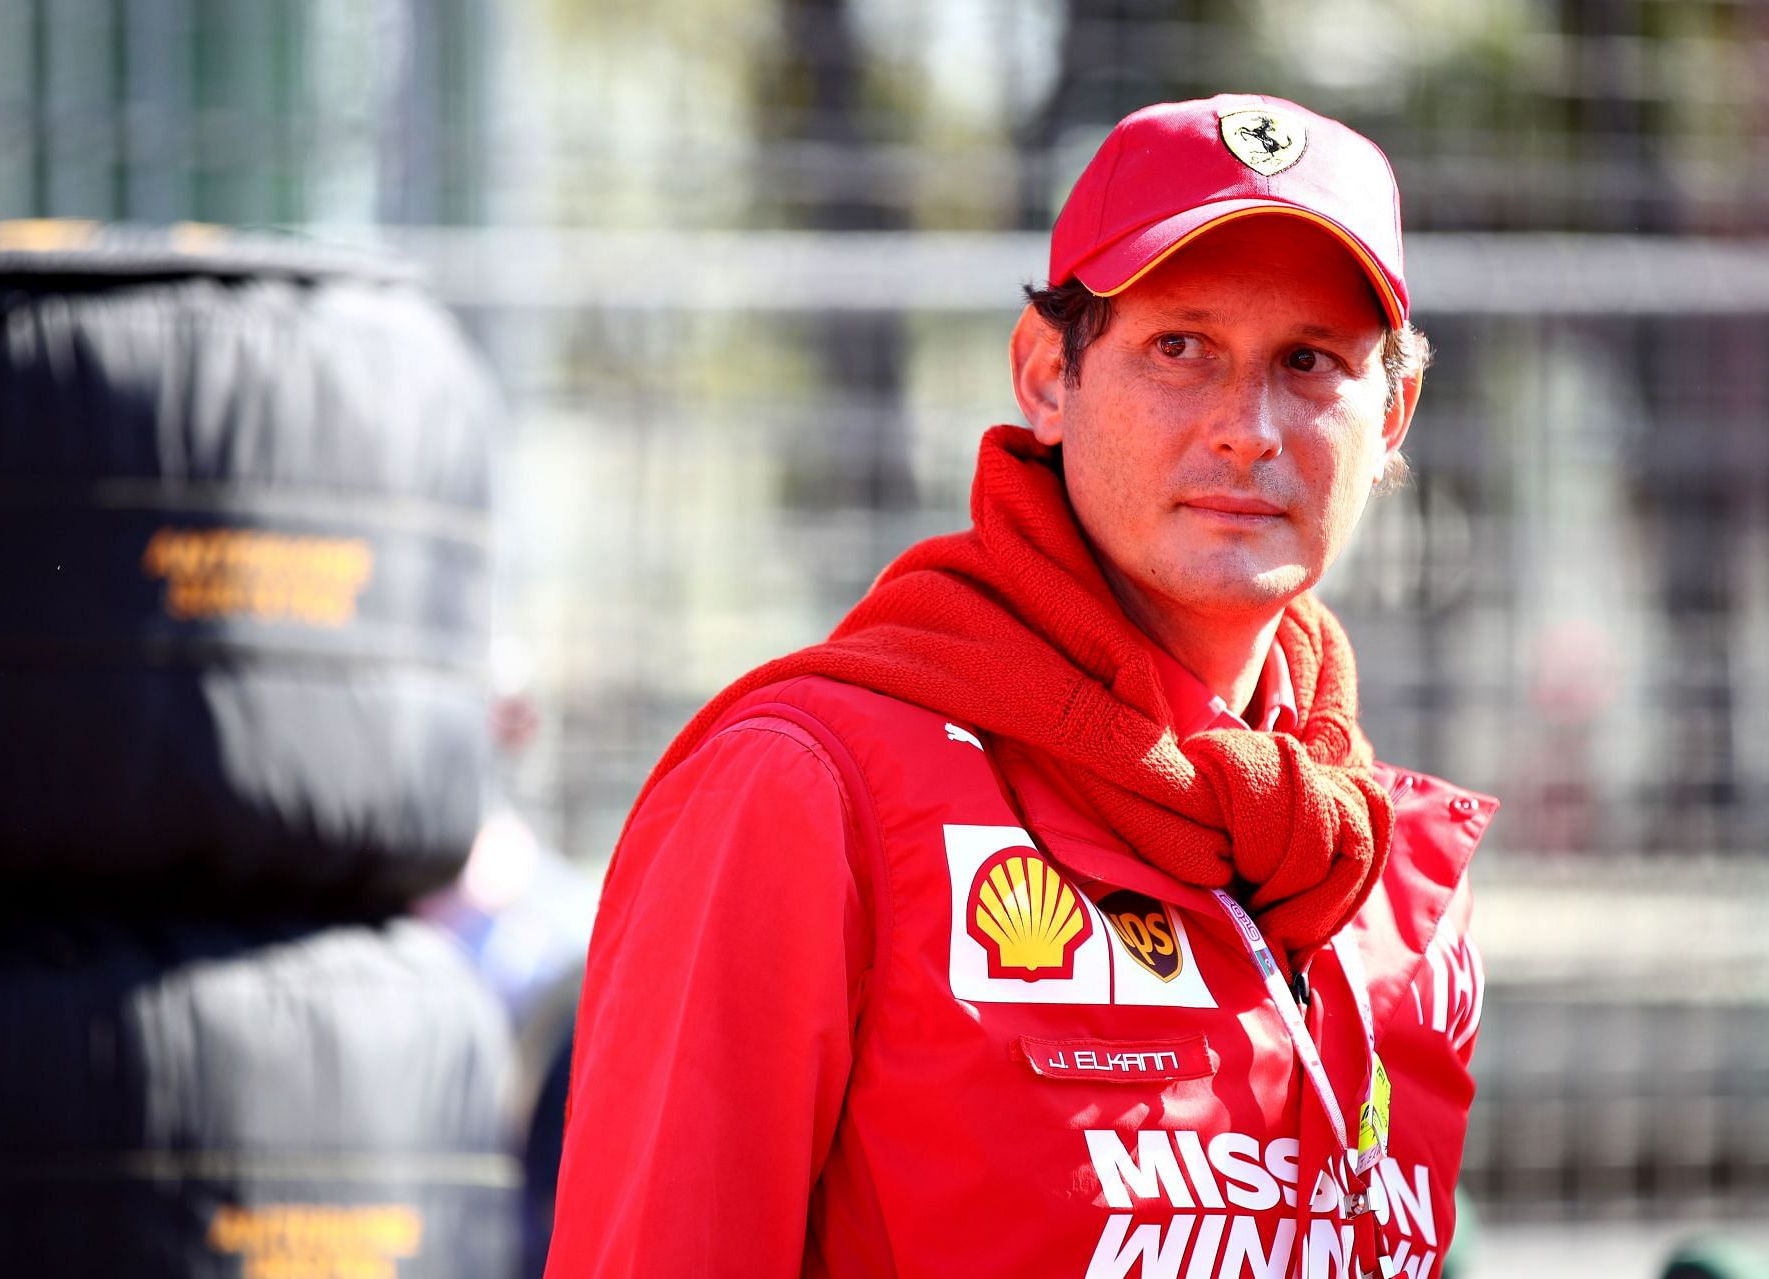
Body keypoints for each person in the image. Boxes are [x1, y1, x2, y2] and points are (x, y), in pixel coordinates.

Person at [545, 94, 1493, 1279]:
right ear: (1050, 377)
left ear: (1392, 413)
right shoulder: (807, 785)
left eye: (1310, 362)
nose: (1249, 428)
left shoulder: (1387, 875)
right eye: (1180, 346)